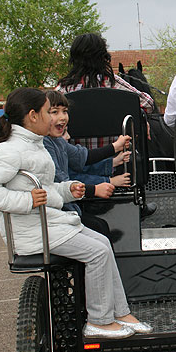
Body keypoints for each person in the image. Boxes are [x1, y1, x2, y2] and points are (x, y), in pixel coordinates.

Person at [0, 88, 152, 339]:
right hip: (33, 231)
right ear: (33, 116)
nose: (54, 117)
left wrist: (70, 190)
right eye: (49, 112)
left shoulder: (36, 145)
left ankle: (119, 312)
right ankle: (99, 321)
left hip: (47, 223)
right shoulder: (10, 150)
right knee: (97, 251)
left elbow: (46, 189)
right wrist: (25, 201)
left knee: (102, 243)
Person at [43, 90, 132, 241]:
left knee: (100, 227)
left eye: (64, 111)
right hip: (54, 215)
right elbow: (62, 181)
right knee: (99, 231)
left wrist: (115, 147)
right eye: (54, 112)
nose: (62, 117)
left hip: (66, 209)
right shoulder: (45, 144)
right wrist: (97, 187)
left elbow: (83, 157)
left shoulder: (57, 141)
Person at [56, 33, 155, 148]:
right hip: (116, 159)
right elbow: (148, 103)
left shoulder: (64, 89)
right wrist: (139, 117)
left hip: (77, 161)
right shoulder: (112, 83)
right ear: (103, 57)